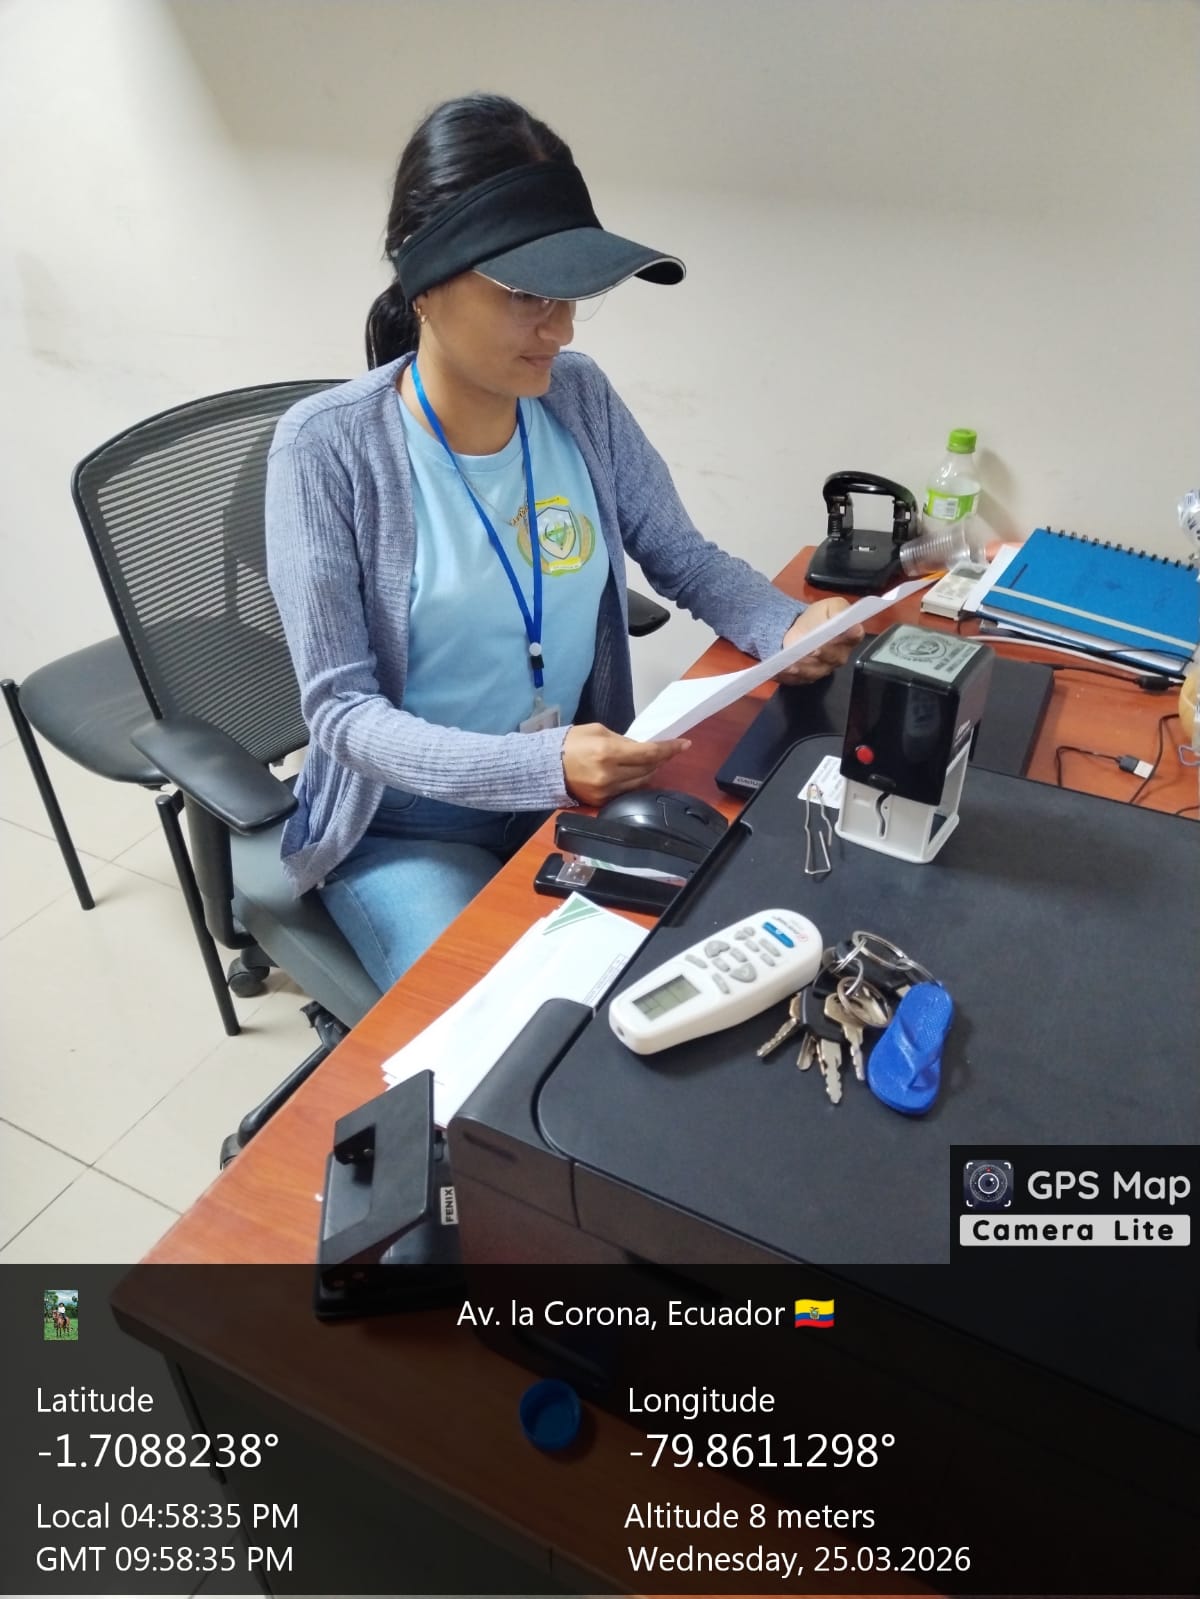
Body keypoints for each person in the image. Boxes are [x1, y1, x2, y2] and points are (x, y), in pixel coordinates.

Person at [266, 93, 863, 993]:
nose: (563, 328)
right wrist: (539, 764)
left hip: (570, 787)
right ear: (425, 280)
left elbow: (681, 554)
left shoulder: (577, 397)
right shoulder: (327, 449)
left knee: (702, 960)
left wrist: (785, 626)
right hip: (410, 826)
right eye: (526, 297)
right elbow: (343, 714)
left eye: (571, 295)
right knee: (497, 1019)